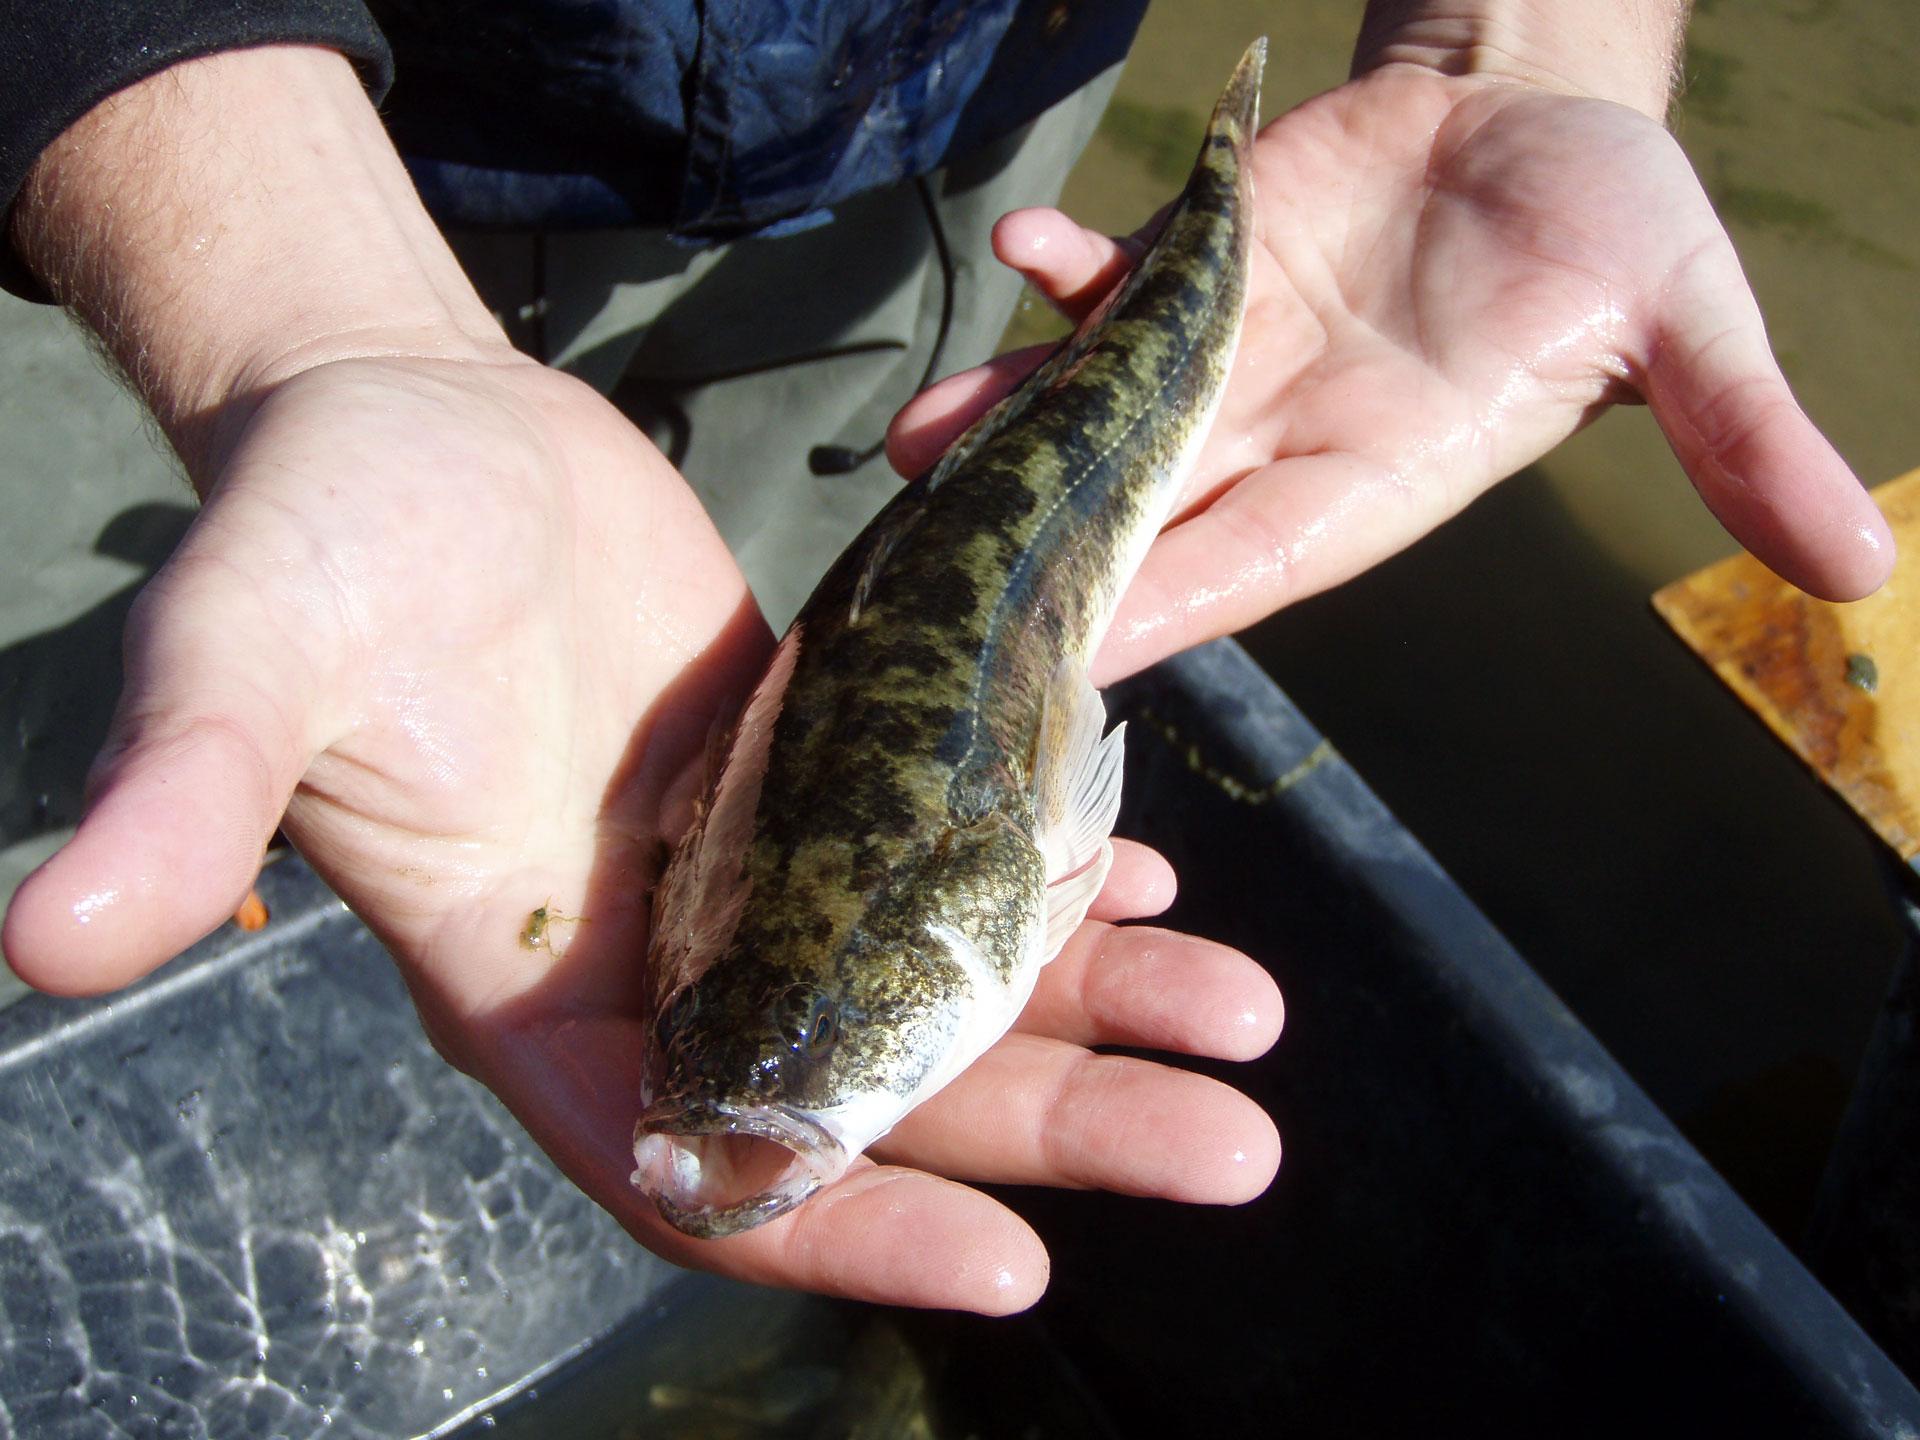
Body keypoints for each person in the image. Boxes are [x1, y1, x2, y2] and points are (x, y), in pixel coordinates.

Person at [0, 0, 1892, 1318]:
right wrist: (290, 316)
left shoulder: (940, 874)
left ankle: (1214, 177)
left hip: (931, 118)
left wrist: (1520, 47)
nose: (737, 1103)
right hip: (165, 156)